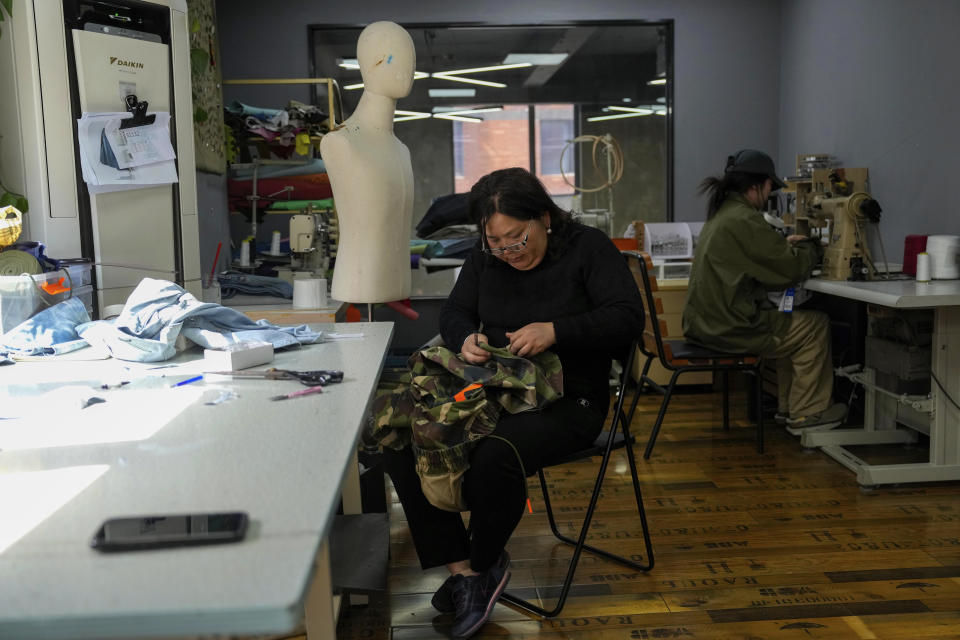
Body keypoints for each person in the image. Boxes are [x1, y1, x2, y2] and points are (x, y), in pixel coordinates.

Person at [381, 167, 644, 639]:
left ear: (543, 217)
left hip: (569, 399)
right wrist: (466, 340)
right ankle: (465, 572)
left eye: (517, 238)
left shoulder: (588, 248)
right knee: (400, 436)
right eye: (496, 242)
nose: (508, 251)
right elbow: (457, 311)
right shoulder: (488, 259)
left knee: (494, 454)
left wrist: (556, 331)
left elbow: (627, 318)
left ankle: (481, 567)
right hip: (494, 388)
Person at [682, 149, 845, 430]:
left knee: (786, 322)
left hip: (705, 324)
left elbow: (760, 262)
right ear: (756, 185)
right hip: (729, 328)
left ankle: (788, 408)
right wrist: (808, 245)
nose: (770, 195)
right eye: (770, 188)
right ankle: (808, 412)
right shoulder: (744, 219)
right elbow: (790, 271)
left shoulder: (722, 215)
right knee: (815, 326)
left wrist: (782, 247)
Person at [320, 21, 415, 303]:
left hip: (398, 283)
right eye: (397, 58)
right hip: (358, 283)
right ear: (372, 64)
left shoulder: (401, 150)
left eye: (412, 61)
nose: (409, 69)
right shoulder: (341, 142)